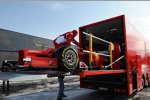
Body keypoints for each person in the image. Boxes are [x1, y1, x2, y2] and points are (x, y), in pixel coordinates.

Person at [54, 30, 81, 100]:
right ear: (74, 33)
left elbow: (76, 43)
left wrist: (82, 46)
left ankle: (61, 94)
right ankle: (59, 97)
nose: (75, 36)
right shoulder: (70, 34)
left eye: (76, 35)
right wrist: (71, 50)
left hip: (61, 43)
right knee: (66, 49)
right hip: (57, 43)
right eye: (76, 34)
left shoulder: (72, 37)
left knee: (62, 85)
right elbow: (69, 44)